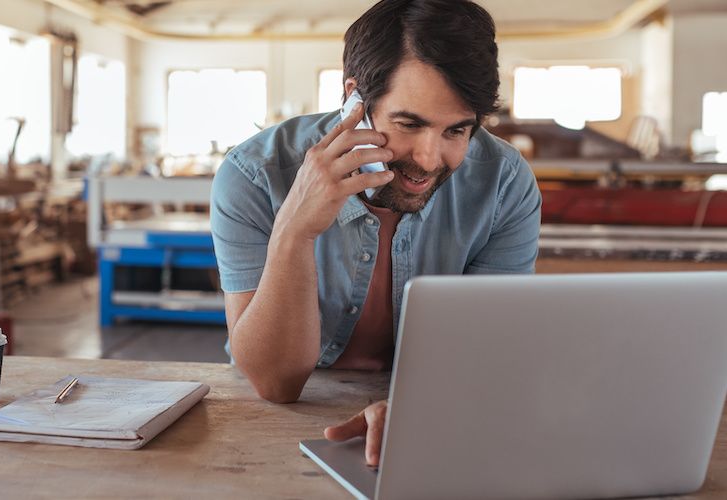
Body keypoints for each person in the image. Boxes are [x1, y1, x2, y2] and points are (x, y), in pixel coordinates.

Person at [209, 0, 542, 466]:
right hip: (274, 423)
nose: (429, 159)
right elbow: (275, 384)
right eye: (409, 124)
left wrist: (424, 408)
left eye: (457, 131)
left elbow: (487, 357)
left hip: (434, 416)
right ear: (354, 99)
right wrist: (294, 232)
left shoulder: (503, 183)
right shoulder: (257, 173)